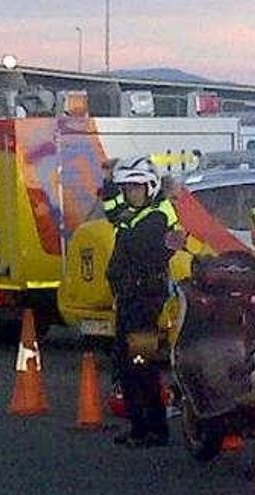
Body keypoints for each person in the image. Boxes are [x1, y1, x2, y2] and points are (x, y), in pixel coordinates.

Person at [106, 155, 179, 447]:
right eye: (126, 189)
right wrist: (109, 183)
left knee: (141, 364)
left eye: (135, 188)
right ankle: (138, 427)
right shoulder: (137, 212)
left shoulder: (157, 216)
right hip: (129, 299)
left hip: (145, 302)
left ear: (150, 188)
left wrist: (121, 225)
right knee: (126, 365)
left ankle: (155, 430)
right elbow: (113, 212)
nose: (130, 193)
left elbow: (135, 244)